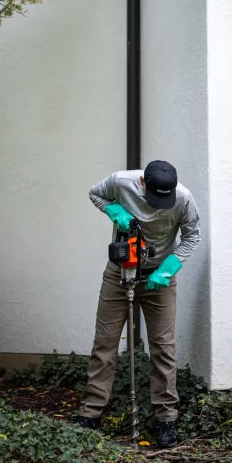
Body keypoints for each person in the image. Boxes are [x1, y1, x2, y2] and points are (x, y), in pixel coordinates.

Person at [76, 160, 201, 448]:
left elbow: (192, 236)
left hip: (160, 277)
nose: (159, 204)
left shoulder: (182, 198)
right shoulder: (120, 182)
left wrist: (168, 269)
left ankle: (166, 420)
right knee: (104, 344)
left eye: (164, 199)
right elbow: (94, 193)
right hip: (119, 272)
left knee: (163, 348)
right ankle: (90, 414)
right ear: (142, 183)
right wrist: (113, 210)